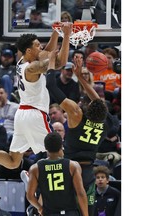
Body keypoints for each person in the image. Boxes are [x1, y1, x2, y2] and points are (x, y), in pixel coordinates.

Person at [0, 22, 72, 169]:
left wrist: (55, 32)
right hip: (35, 115)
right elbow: (61, 62)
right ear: (29, 50)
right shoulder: (32, 67)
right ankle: (47, 187)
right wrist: (66, 35)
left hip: (21, 115)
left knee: (13, 161)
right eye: (37, 45)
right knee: (58, 151)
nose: (40, 46)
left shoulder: (21, 62)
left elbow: (47, 51)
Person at [46, 49, 108, 215]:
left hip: (68, 167)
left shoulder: (76, 114)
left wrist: (52, 61)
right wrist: (81, 77)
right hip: (88, 171)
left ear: (87, 107)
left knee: (59, 208)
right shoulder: (106, 123)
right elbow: (99, 103)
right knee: (88, 209)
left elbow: (51, 85)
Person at [27, 132, 88, 216]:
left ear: (45, 147)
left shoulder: (35, 168)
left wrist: (40, 208)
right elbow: (80, 193)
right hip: (69, 212)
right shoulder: (73, 165)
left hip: (50, 213)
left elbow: (30, 196)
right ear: (61, 145)